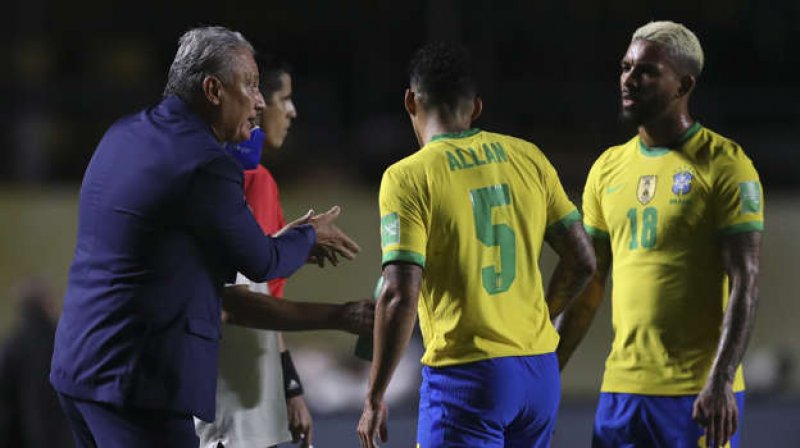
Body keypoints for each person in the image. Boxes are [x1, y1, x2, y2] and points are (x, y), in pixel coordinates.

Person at [50, 26, 369, 448]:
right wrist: (309, 236)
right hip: (137, 382)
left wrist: (286, 242)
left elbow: (175, 247)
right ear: (214, 89)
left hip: (79, 366)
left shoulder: (124, 132)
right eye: (251, 86)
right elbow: (261, 262)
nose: (259, 101)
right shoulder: (207, 164)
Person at [356, 42, 596, 448]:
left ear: (411, 100)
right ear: (477, 108)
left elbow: (399, 294)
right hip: (538, 373)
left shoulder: (408, 176)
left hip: (467, 376)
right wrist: (540, 316)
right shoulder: (529, 157)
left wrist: (375, 394)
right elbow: (583, 261)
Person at [555, 21, 763, 448]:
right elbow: (589, 281)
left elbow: (746, 280)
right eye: (625, 67)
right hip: (622, 393)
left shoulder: (725, 164)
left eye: (646, 71)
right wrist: (542, 373)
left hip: (697, 396)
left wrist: (722, 379)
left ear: (683, 84)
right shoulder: (608, 168)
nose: (629, 79)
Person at [195, 56, 317, 448]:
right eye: (285, 97)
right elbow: (254, 296)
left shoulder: (216, 168)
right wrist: (291, 385)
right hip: (237, 389)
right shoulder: (253, 179)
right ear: (258, 103)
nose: (291, 110)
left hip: (213, 384)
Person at [0, 278, 73, 447]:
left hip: (24, 440)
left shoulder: (12, 347)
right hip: (66, 439)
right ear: (47, 304)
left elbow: (5, 407)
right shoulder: (65, 342)